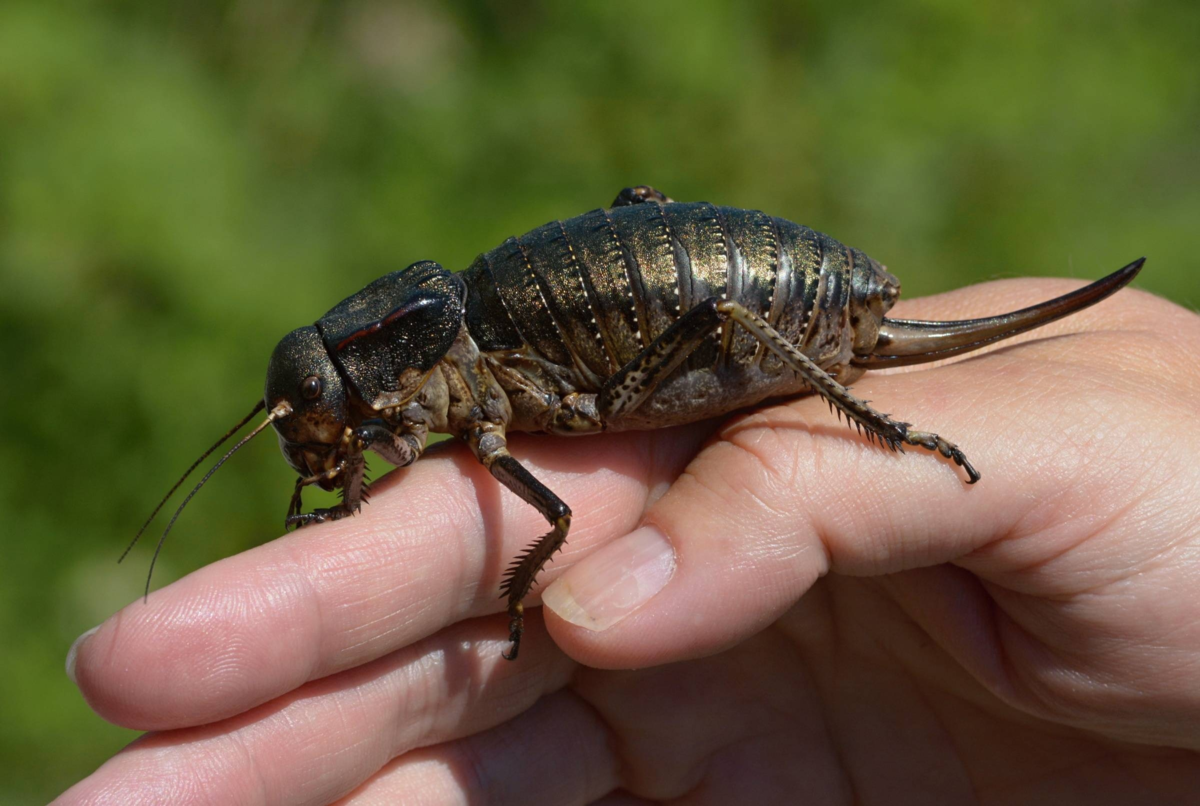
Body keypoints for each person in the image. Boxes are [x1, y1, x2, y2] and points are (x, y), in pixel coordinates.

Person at [57, 276, 1200, 804]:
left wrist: (514, 600)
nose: (327, 437)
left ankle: (884, 422)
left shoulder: (469, 374)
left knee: (719, 328)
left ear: (375, 356)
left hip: (756, 307)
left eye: (322, 413)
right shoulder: (428, 366)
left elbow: (549, 517)